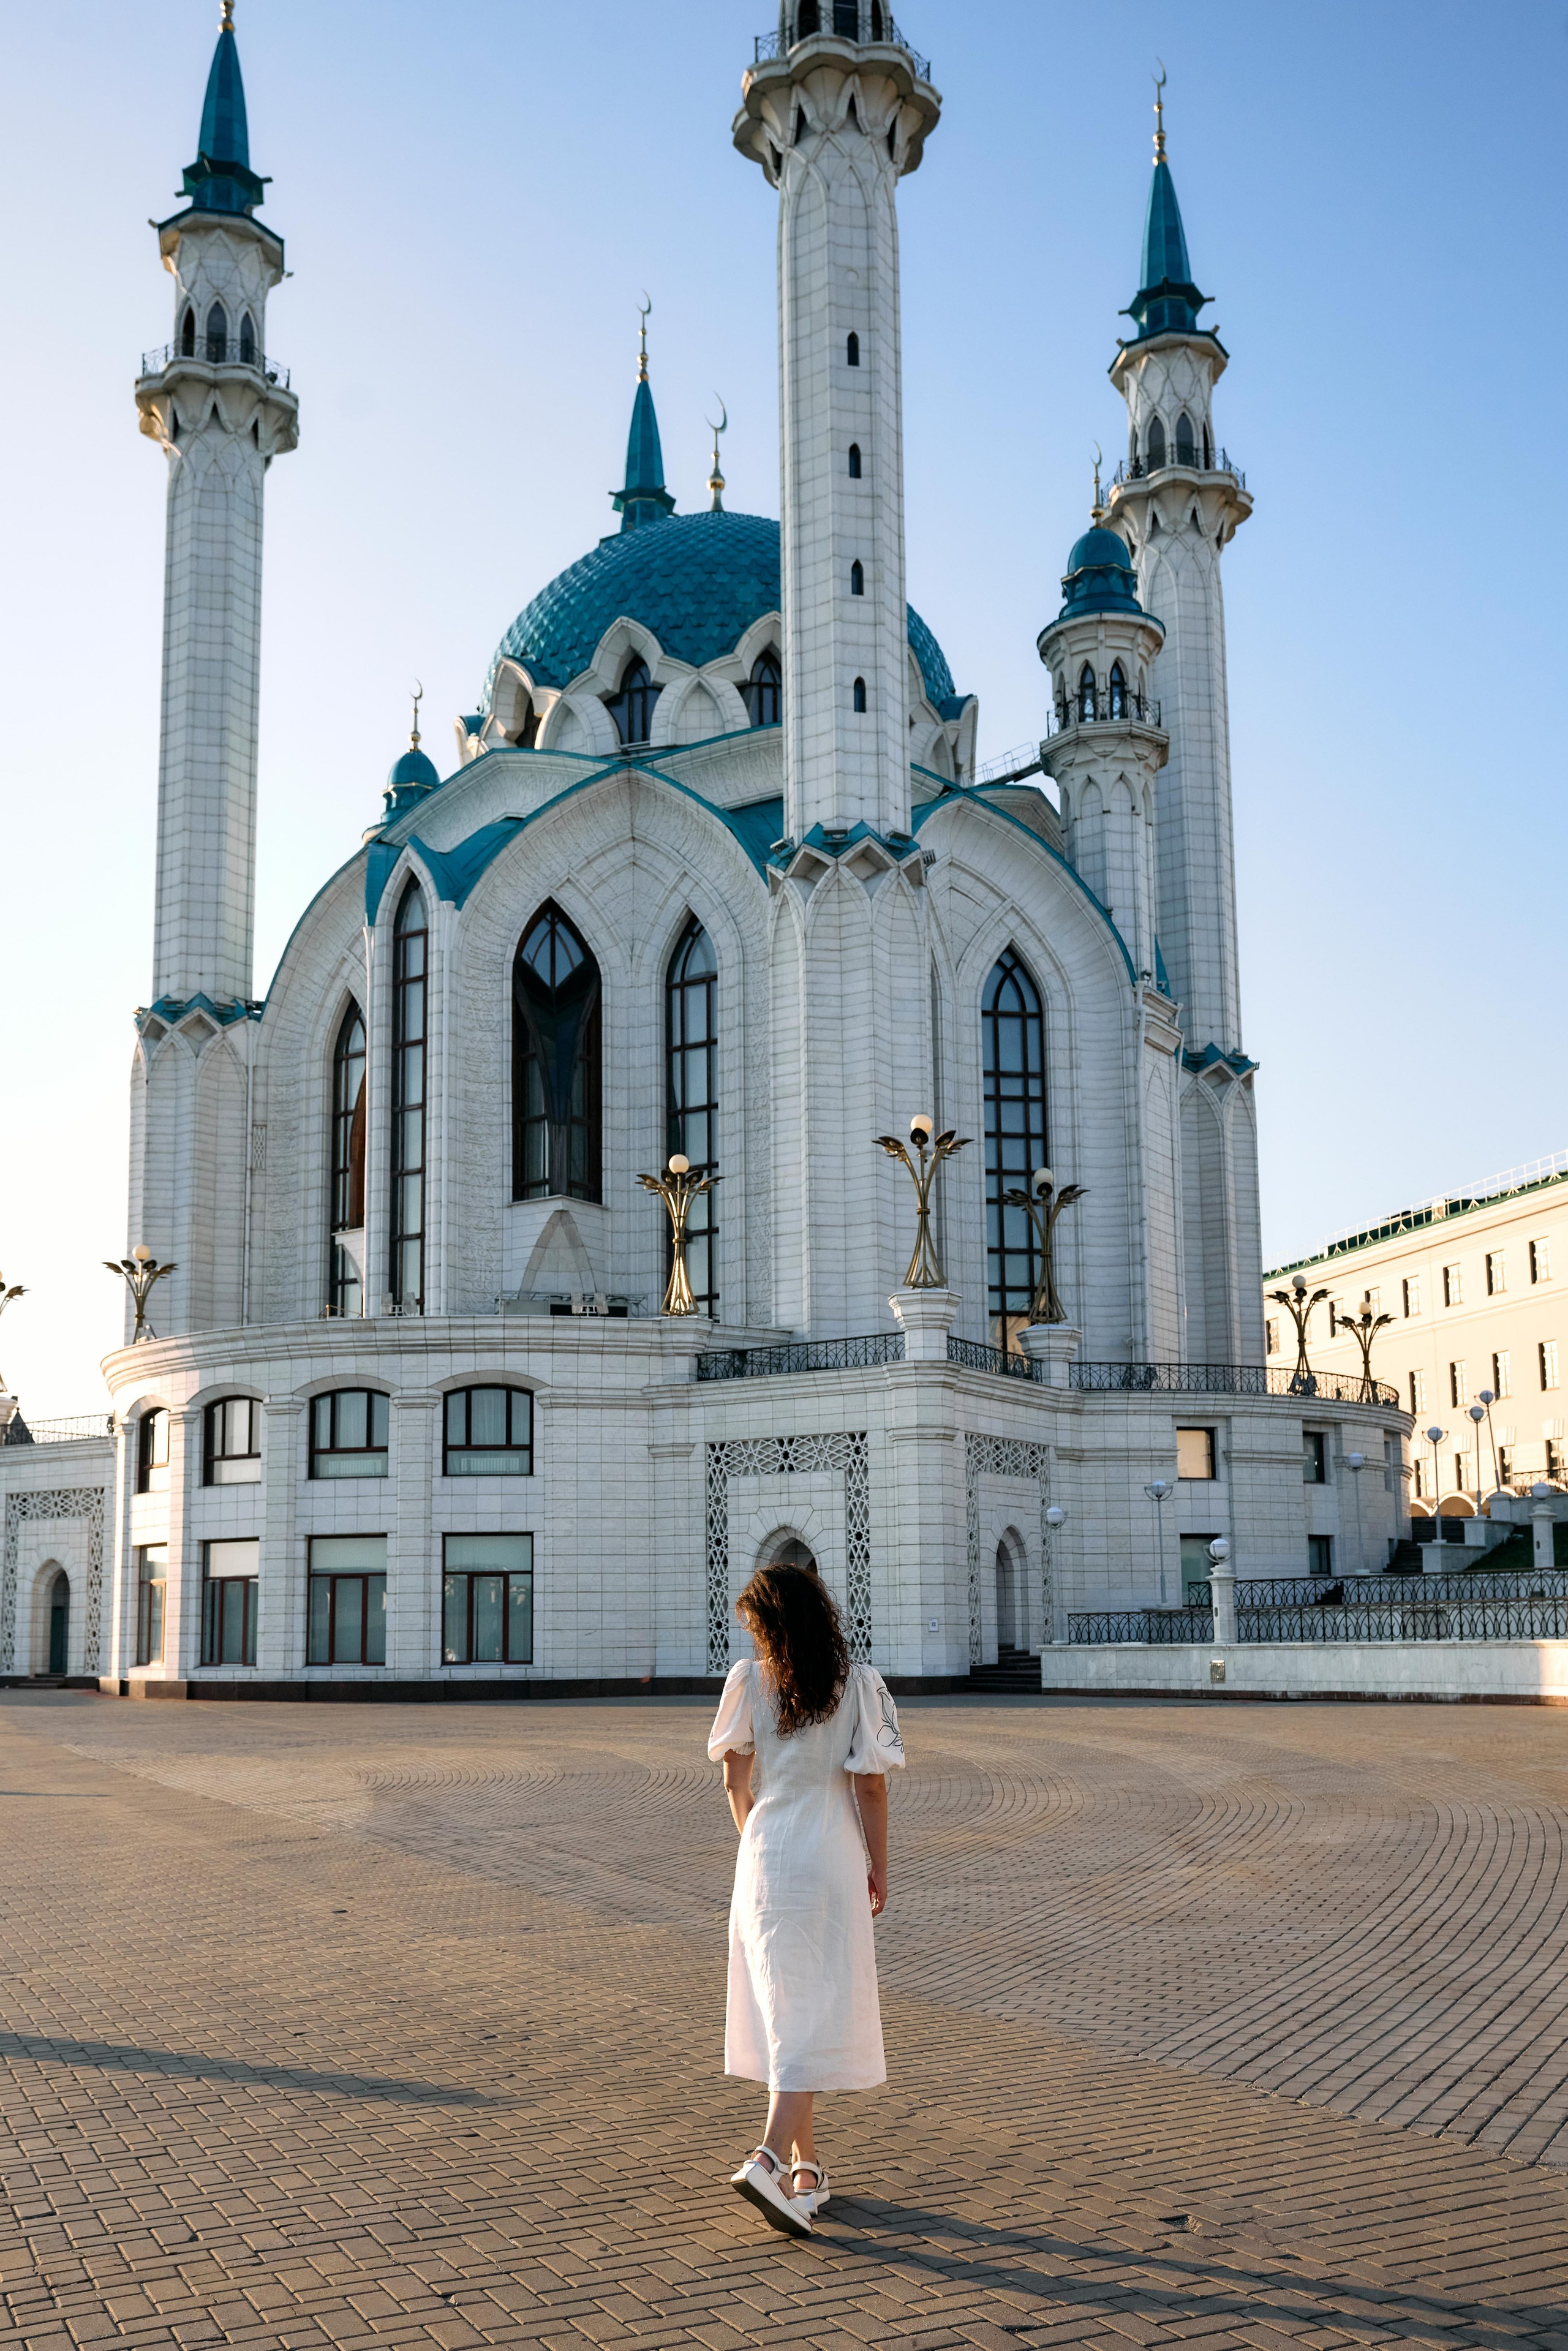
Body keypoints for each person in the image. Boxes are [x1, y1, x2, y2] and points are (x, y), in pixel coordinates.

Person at [707, 1562, 906, 2238]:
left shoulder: (746, 1680)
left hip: (765, 1853)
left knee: (784, 2008)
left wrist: (762, 1842)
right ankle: (770, 2157)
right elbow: (871, 1787)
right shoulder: (857, 1683)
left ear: (765, 1622)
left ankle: (806, 2170)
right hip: (831, 1851)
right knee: (814, 2008)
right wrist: (878, 1864)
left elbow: (736, 1782)